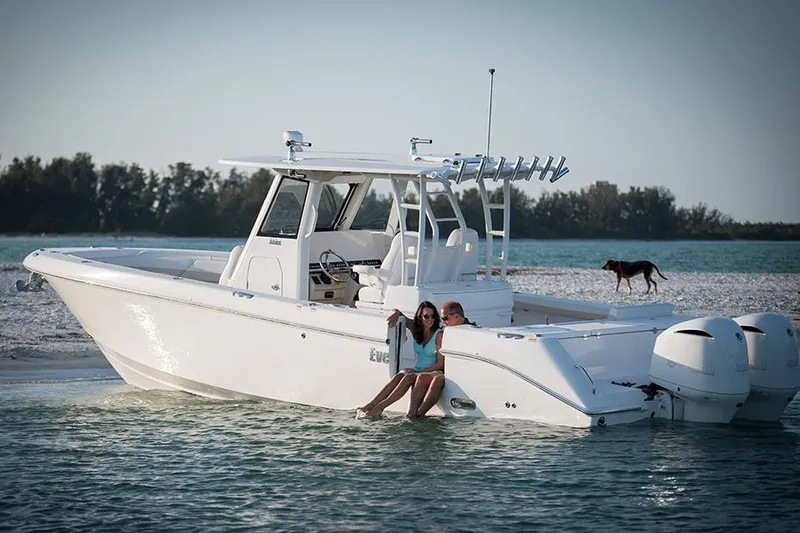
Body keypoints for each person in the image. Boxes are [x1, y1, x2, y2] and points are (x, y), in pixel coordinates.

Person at [358, 301, 444, 418]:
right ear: (420, 317)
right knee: (399, 375)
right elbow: (397, 312)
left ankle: (380, 407)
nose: (430, 319)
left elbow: (440, 364)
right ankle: (371, 404)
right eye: (426, 316)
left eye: (433, 316)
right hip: (418, 369)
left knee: (408, 377)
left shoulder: (438, 335)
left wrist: (418, 372)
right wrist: (395, 314)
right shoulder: (416, 329)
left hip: (432, 371)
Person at [405, 300, 476, 418]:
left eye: (445, 318)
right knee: (422, 377)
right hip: (446, 370)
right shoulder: (445, 331)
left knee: (436, 380)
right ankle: (412, 414)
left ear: (457, 316)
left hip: (457, 372)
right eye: (442, 318)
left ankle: (420, 414)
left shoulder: (471, 331)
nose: (443, 322)